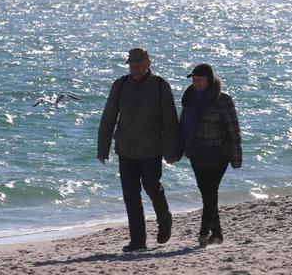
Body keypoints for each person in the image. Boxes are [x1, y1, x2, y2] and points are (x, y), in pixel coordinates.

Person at [97, 47, 181, 252]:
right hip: (125, 150)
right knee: (131, 195)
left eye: (138, 65)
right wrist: (103, 147)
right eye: (131, 65)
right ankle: (138, 240)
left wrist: (173, 151)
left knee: (152, 187)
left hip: (152, 150)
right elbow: (109, 117)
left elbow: (171, 121)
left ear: (148, 64)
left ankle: (165, 219)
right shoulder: (120, 85)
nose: (134, 69)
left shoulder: (160, 85)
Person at [179, 63, 242, 247]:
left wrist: (236, 157)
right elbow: (183, 125)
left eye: (200, 80)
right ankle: (218, 235)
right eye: (194, 80)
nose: (196, 83)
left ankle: (203, 232)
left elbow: (233, 130)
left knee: (210, 192)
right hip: (196, 154)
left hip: (218, 154)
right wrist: (177, 148)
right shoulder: (189, 98)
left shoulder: (223, 100)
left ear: (209, 79)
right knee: (206, 192)